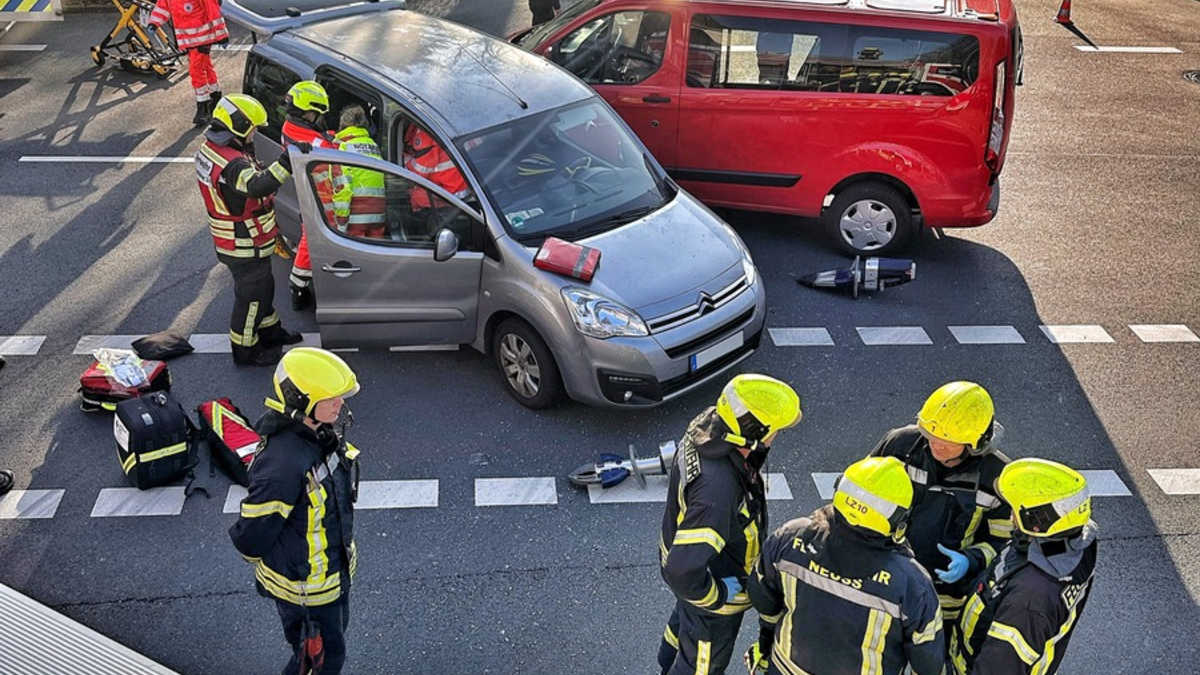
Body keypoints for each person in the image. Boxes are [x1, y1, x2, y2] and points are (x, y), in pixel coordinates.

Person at [745, 456, 946, 675]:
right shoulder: (912, 582)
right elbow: (928, 661)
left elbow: (763, 599)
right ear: (898, 518)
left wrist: (766, 642)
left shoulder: (791, 537)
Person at [657, 374, 802, 675]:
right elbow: (682, 573)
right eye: (774, 431)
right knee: (702, 662)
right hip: (711, 587)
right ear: (754, 432)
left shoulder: (710, 423)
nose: (776, 436)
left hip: (691, 562)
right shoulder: (718, 491)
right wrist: (718, 596)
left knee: (682, 623)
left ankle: (667, 662)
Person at [230, 347, 361, 675]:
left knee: (323, 654)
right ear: (302, 402)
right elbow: (252, 536)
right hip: (307, 592)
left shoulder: (316, 435)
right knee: (319, 661)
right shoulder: (283, 464)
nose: (340, 403)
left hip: (327, 578)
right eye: (332, 398)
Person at [869, 381, 1011, 626]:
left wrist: (971, 559)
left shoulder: (996, 478)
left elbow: (1003, 541)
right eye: (931, 434)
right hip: (887, 579)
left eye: (949, 441)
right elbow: (862, 493)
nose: (936, 445)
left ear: (975, 442)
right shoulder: (900, 447)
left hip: (947, 598)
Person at [949, 459, 1097, 675]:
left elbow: (999, 667)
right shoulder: (1074, 539)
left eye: (1017, 510)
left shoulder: (1029, 600)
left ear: (1037, 521)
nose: (1011, 515)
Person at [195, 94, 304, 366]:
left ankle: (271, 333)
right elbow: (255, 186)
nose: (255, 135)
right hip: (242, 242)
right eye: (253, 129)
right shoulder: (232, 163)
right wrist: (287, 162)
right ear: (240, 125)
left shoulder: (213, 149)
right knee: (251, 298)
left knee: (263, 288)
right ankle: (246, 350)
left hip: (239, 240)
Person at [280, 81, 338, 311]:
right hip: (320, 198)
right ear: (308, 113)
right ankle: (298, 286)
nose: (322, 119)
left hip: (306, 191)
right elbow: (333, 152)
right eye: (319, 115)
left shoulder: (288, 127)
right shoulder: (317, 145)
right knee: (310, 240)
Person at [146, 0, 228, 125]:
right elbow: (164, 6)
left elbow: (213, 11)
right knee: (204, 65)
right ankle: (215, 94)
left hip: (203, 37)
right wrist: (154, 22)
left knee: (195, 70)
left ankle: (203, 104)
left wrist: (222, 35)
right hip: (189, 40)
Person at [331, 105, 387, 239]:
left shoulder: (342, 147)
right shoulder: (373, 146)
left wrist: (341, 225)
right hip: (378, 215)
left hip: (356, 217)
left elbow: (343, 189)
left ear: (342, 125)